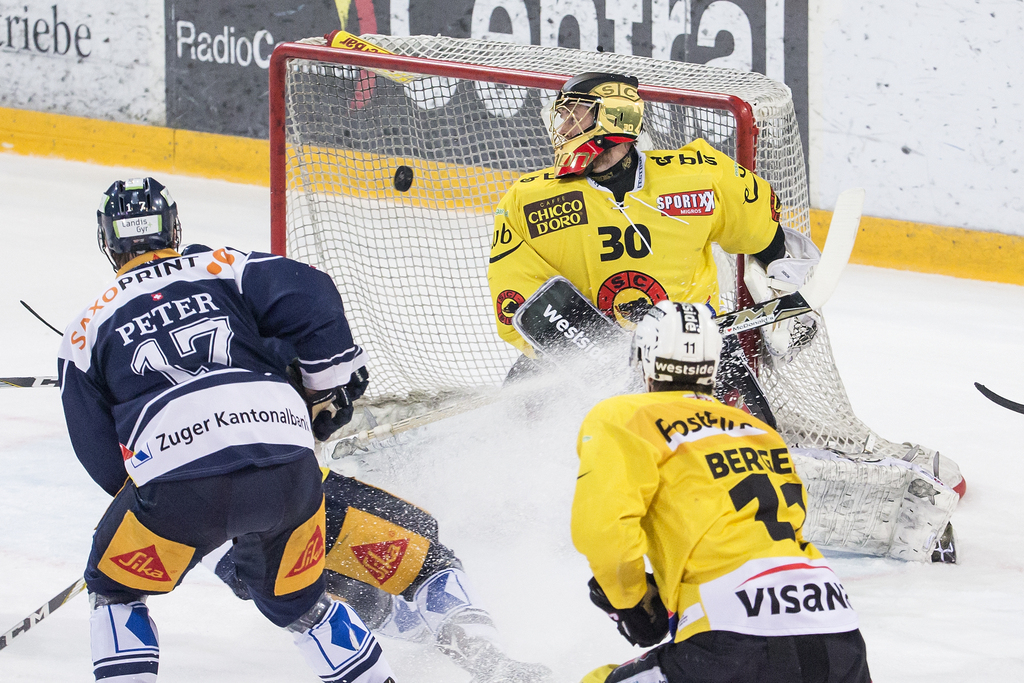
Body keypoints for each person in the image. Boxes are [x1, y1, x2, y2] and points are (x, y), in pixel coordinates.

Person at [58, 177, 390, 682]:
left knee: (114, 590)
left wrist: (176, 514)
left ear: (108, 240)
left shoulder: (84, 330)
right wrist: (325, 389)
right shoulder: (221, 266)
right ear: (174, 228)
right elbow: (312, 292)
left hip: (179, 489)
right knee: (300, 605)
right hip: (289, 474)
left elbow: (99, 456)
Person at [571, 300, 870, 683]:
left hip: (733, 638)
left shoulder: (625, 415)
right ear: (714, 364)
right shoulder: (759, 430)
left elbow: (604, 530)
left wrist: (629, 601)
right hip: (837, 634)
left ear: (643, 359)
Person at [487, 71, 799, 423]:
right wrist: (591, 352)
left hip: (693, 350)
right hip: (578, 365)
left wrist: (783, 275)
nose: (563, 124)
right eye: (563, 114)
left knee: (751, 444)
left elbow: (761, 227)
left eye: (574, 113)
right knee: (515, 427)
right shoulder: (528, 200)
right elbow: (516, 296)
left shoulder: (698, 176)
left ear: (614, 117)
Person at [206, 468, 553, 683]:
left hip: (222, 545)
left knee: (331, 605)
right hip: (296, 493)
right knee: (428, 562)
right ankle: (487, 660)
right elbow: (329, 381)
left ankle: (434, 636)